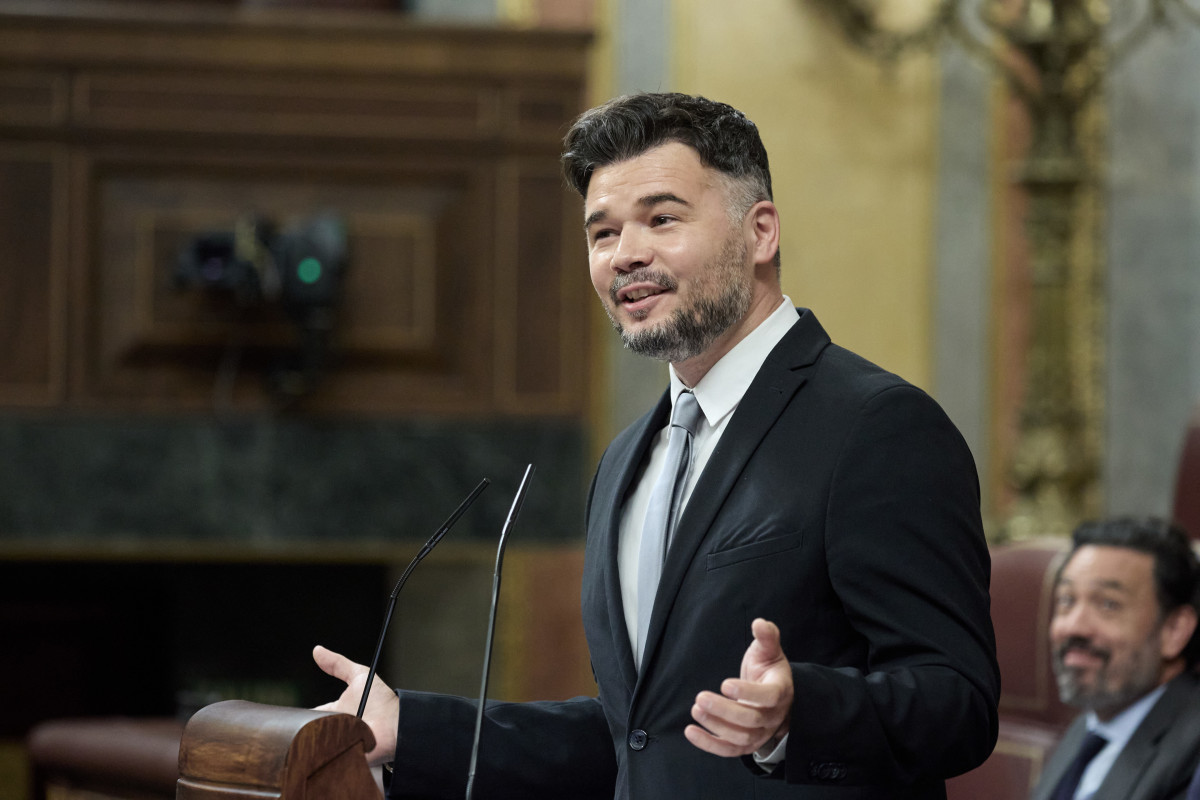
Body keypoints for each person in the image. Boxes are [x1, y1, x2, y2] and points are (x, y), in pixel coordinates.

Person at [313, 92, 1000, 798]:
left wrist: (798, 715)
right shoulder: (625, 460)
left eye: (662, 219)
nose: (626, 255)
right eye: (602, 233)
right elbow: (639, 737)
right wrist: (416, 729)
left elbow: (960, 701)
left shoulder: (876, 425)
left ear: (760, 232)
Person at [1030, 517, 1200, 800]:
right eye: (1066, 600)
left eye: (1108, 604)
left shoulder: (1191, 751)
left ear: (1174, 629)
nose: (1074, 627)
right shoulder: (1089, 726)